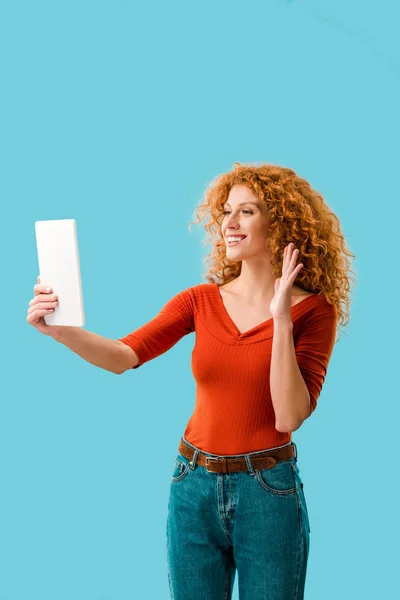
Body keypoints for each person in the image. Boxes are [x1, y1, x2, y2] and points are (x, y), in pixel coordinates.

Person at [27, 162, 354, 599]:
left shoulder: (313, 312)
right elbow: (124, 356)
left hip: (268, 492)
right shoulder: (198, 301)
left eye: (247, 212)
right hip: (192, 486)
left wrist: (281, 321)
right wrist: (60, 331)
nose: (229, 224)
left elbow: (290, 413)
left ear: (280, 221)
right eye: (226, 212)